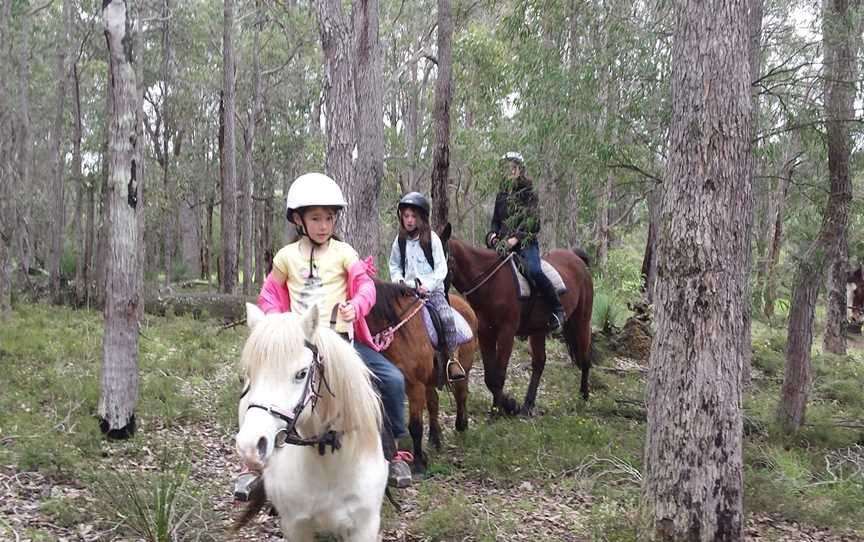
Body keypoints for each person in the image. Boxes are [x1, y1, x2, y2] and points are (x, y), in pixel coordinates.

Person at [234, 172, 412, 500]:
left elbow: (366, 286)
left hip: (341, 342)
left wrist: (356, 307)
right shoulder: (286, 258)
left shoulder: (344, 253)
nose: (323, 225)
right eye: (315, 218)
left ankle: (393, 450)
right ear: (298, 220)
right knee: (254, 390)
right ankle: (251, 464)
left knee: (391, 379)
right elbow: (269, 294)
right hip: (298, 343)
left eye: (329, 218)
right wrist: (277, 322)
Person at [388, 192, 466, 383]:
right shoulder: (399, 241)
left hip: (432, 291)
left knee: (446, 317)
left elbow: (441, 268)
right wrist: (398, 281)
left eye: (413, 216)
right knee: (388, 316)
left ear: (422, 217)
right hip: (407, 291)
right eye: (405, 216)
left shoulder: (432, 239)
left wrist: (427, 286)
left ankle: (453, 361)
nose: (409, 220)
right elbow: (394, 265)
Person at [486, 152, 566, 331]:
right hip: (503, 245)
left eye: (512, 167)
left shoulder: (529, 193)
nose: (509, 170)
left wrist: (515, 239)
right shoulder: (502, 194)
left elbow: (534, 223)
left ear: (520, 169)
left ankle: (557, 309)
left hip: (525, 244)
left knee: (534, 271)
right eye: (506, 167)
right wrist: (492, 236)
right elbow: (495, 221)